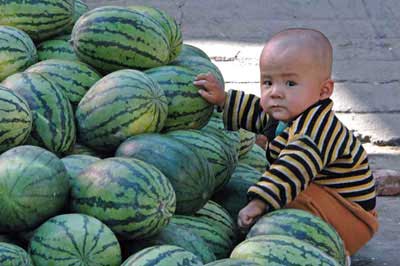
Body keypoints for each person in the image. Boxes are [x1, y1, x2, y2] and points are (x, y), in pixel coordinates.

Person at [194, 28, 379, 260]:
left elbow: (293, 167)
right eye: (268, 82)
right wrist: (224, 99)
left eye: (290, 83)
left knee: (289, 202)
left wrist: (260, 202)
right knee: (283, 195)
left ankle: (333, 252)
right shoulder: (293, 112)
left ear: (324, 91)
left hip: (349, 217)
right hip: (326, 198)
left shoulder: (316, 130)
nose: (275, 93)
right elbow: (258, 114)